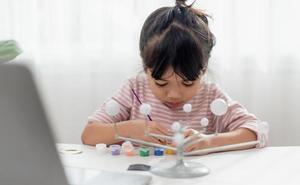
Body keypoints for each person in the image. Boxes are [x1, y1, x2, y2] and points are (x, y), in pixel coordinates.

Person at [81, 0, 268, 152]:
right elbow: (89, 134)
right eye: (161, 83)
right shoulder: (134, 89)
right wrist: (129, 129)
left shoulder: (210, 95)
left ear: (204, 69)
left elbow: (255, 131)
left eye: (187, 83)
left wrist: (208, 142)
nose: (174, 94)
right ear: (145, 67)